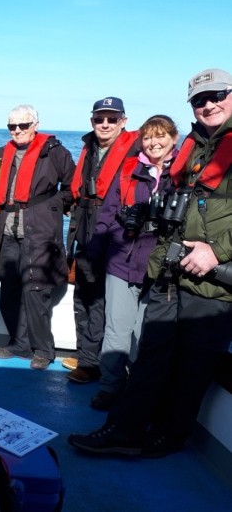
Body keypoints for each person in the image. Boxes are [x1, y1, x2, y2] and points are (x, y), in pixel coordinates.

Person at [68, 68, 232, 458]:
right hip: (170, 271)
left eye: (217, 95)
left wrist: (217, 251)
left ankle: (168, 436)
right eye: (198, 100)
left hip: (211, 280)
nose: (208, 105)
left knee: (191, 366)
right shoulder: (194, 145)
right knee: (151, 357)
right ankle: (123, 429)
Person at [85, 115, 178, 410]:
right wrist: (96, 250)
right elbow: (109, 212)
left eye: (161, 136)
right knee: (117, 329)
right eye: (148, 137)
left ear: (174, 138)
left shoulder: (184, 174)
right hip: (122, 261)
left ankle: (138, 392)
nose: (154, 143)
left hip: (161, 265)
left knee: (144, 334)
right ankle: (110, 388)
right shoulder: (129, 170)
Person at [0, 105, 75, 370]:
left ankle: (44, 350)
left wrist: (52, 206)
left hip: (39, 230)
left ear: (35, 125)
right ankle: (19, 344)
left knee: (37, 292)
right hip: (7, 230)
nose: (17, 131)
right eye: (12, 126)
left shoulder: (55, 152)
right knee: (10, 289)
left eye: (23, 125)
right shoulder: (1, 154)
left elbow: (73, 187)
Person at [65, 97, 139, 383]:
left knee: (100, 300)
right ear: (92, 121)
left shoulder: (135, 148)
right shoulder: (90, 147)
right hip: (84, 228)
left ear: (124, 121)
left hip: (113, 233)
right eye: (99, 119)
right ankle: (86, 354)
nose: (105, 124)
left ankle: (93, 363)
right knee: (82, 297)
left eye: (112, 119)